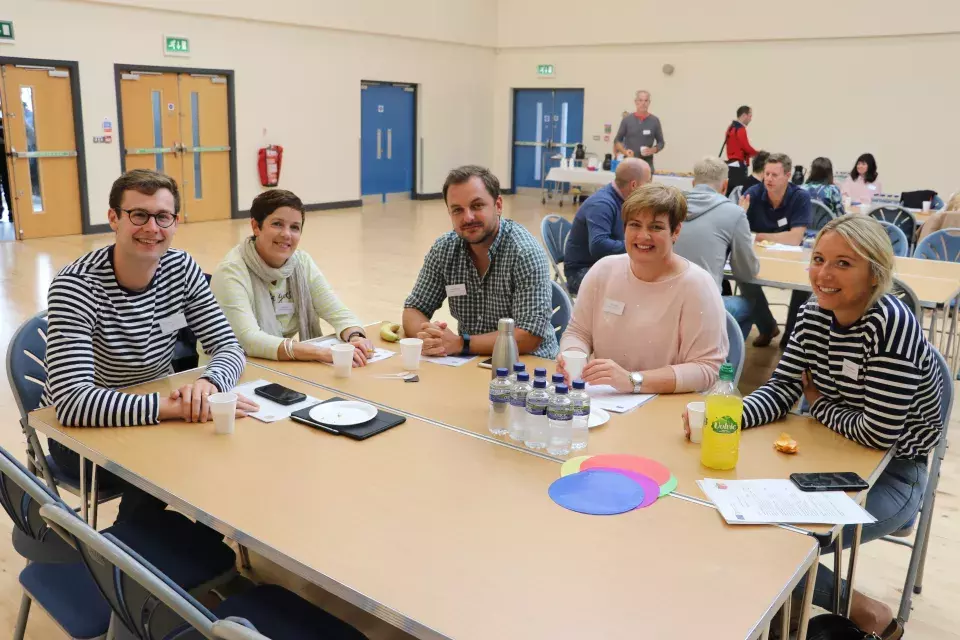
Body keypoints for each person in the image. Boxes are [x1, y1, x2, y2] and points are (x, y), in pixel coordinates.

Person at [686, 215, 942, 639]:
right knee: (733, 523)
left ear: (874, 272)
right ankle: (831, 608)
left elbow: (878, 433)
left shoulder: (889, 324)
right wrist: (727, 416)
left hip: (892, 473)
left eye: (843, 263)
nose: (824, 274)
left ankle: (861, 612)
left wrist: (819, 405)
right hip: (822, 458)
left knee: (775, 543)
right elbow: (784, 388)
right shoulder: (811, 315)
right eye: (819, 259)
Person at [41, 169, 256, 523]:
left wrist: (208, 385)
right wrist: (178, 409)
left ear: (175, 222)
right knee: (179, 463)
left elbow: (229, 347)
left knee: (232, 441)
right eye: (138, 215)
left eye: (162, 216)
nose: (152, 228)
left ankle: (193, 549)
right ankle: (136, 562)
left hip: (158, 409)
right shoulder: (75, 286)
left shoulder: (181, 267)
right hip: (80, 435)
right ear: (114, 218)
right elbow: (72, 403)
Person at [557, 183, 727, 394]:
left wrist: (633, 380)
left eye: (656, 227)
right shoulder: (603, 271)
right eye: (635, 225)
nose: (643, 236)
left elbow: (707, 368)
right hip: (607, 401)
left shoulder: (697, 286)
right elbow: (579, 332)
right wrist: (572, 357)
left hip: (667, 406)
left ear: (675, 231)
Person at [403, 165, 559, 359]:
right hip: (470, 362)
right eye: (457, 210)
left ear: (498, 205)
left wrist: (460, 343)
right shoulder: (445, 249)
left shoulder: (525, 253)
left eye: (477, 206)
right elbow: (413, 309)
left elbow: (529, 336)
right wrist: (431, 338)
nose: (467, 217)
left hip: (528, 366)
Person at [211, 189, 373, 364]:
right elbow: (249, 340)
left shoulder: (301, 263)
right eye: (277, 224)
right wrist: (319, 353)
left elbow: (337, 311)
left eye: (295, 227)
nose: (287, 234)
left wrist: (355, 336)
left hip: (280, 365)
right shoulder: (231, 271)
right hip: (230, 371)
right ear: (256, 227)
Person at [675, 157, 759, 340]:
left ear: (693, 182)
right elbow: (746, 273)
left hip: (664, 302)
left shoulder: (671, 206)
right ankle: (725, 365)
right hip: (703, 309)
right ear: (725, 185)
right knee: (752, 306)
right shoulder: (734, 213)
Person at [737, 153, 812, 347]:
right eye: (766, 174)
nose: (768, 179)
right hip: (758, 256)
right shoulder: (753, 193)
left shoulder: (800, 197)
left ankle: (790, 337)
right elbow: (739, 230)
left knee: (802, 285)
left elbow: (795, 238)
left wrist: (759, 236)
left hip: (791, 259)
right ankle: (767, 326)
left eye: (774, 175)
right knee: (744, 278)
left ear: (787, 175)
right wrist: (739, 214)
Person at [562, 158, 651, 294]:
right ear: (634, 185)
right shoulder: (601, 204)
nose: (650, 186)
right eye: (648, 181)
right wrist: (637, 245)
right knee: (640, 290)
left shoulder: (622, 200)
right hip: (582, 272)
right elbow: (599, 245)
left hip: (604, 265)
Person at [613, 90, 665, 172]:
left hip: (647, 166)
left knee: (646, 185)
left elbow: (661, 143)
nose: (643, 103)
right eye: (640, 100)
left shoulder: (654, 121)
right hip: (629, 165)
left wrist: (652, 150)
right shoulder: (627, 120)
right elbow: (617, 140)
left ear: (649, 102)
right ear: (636, 102)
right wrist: (625, 152)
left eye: (646, 100)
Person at [722, 106, 757, 196]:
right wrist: (758, 154)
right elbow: (746, 147)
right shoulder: (740, 129)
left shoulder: (731, 127)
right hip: (739, 165)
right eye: (750, 116)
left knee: (729, 192)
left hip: (731, 163)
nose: (751, 119)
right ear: (744, 115)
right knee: (738, 192)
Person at [0, 117, 12, 220]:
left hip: (5, 156)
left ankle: (11, 211)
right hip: (4, 155)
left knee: (7, 184)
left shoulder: (6, 120)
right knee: (7, 184)